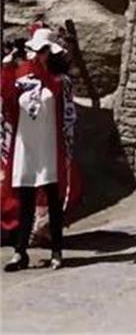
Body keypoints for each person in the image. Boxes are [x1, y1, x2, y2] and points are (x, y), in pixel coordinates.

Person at [1, 28, 77, 271]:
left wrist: (36, 68)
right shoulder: (22, 76)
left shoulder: (61, 81)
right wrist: (7, 68)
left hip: (49, 148)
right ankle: (20, 252)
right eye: (37, 49)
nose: (39, 54)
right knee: (25, 201)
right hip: (25, 147)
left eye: (43, 50)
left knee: (53, 200)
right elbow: (7, 98)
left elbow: (57, 95)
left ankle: (57, 250)